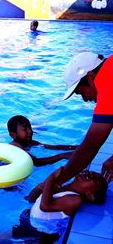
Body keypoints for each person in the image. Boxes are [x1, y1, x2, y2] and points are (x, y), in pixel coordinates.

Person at [29, 52, 113, 201]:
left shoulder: (107, 84)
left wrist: (53, 183)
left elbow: (89, 148)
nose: (85, 99)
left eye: (81, 92)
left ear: (90, 77)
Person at [0, 168, 108, 244]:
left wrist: (51, 177)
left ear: (90, 195)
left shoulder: (75, 199)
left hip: (41, 233)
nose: (91, 173)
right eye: (93, 173)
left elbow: (45, 206)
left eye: (95, 179)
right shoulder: (62, 187)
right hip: (31, 222)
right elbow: (35, 198)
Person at [8, 115, 77, 166]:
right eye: (25, 129)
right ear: (13, 135)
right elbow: (36, 162)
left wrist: (76, 147)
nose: (30, 131)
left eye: (30, 127)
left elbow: (55, 147)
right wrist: (62, 156)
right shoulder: (16, 147)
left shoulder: (30, 143)